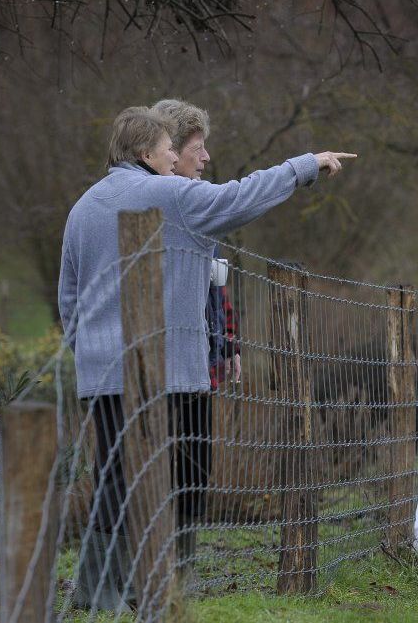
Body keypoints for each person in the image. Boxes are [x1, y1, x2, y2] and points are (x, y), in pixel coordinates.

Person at [58, 105, 355, 609]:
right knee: (182, 477)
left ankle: (100, 588)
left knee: (113, 477)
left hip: (103, 372)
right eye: (168, 148)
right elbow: (241, 197)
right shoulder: (169, 194)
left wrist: (89, 350)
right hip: (169, 371)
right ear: (144, 153)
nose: (176, 156)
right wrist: (305, 165)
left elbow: (68, 297)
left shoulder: (82, 207)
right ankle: (170, 581)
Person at [148, 98, 242, 579]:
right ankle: (152, 567)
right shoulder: (156, 206)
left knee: (195, 463)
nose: (205, 159)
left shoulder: (198, 203)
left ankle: (181, 568)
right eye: (196, 149)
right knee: (155, 465)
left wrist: (228, 342)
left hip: (200, 359)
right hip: (158, 364)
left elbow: (214, 280)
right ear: (167, 152)